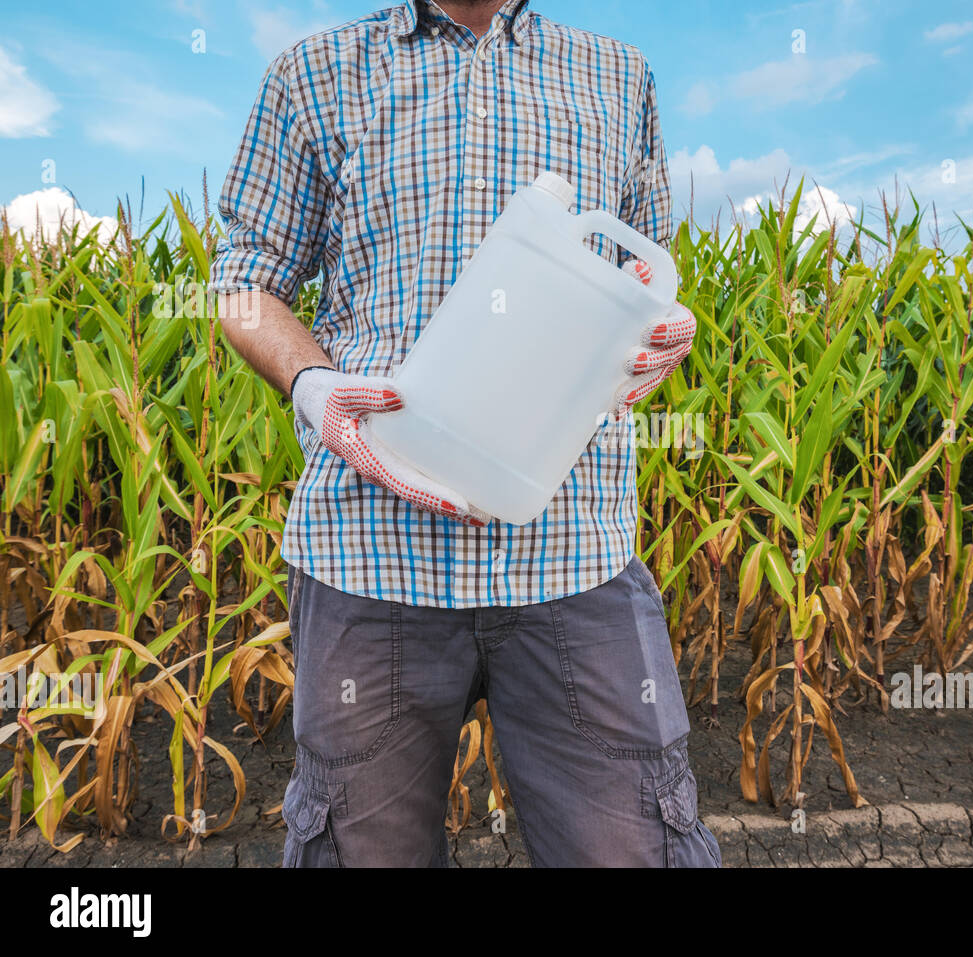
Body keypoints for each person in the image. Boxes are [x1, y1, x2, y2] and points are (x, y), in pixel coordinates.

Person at [211, 0, 720, 867]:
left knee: (631, 848)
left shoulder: (618, 75)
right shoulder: (313, 72)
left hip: (571, 547)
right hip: (370, 550)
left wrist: (658, 335)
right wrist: (316, 386)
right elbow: (244, 280)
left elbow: (647, 277)